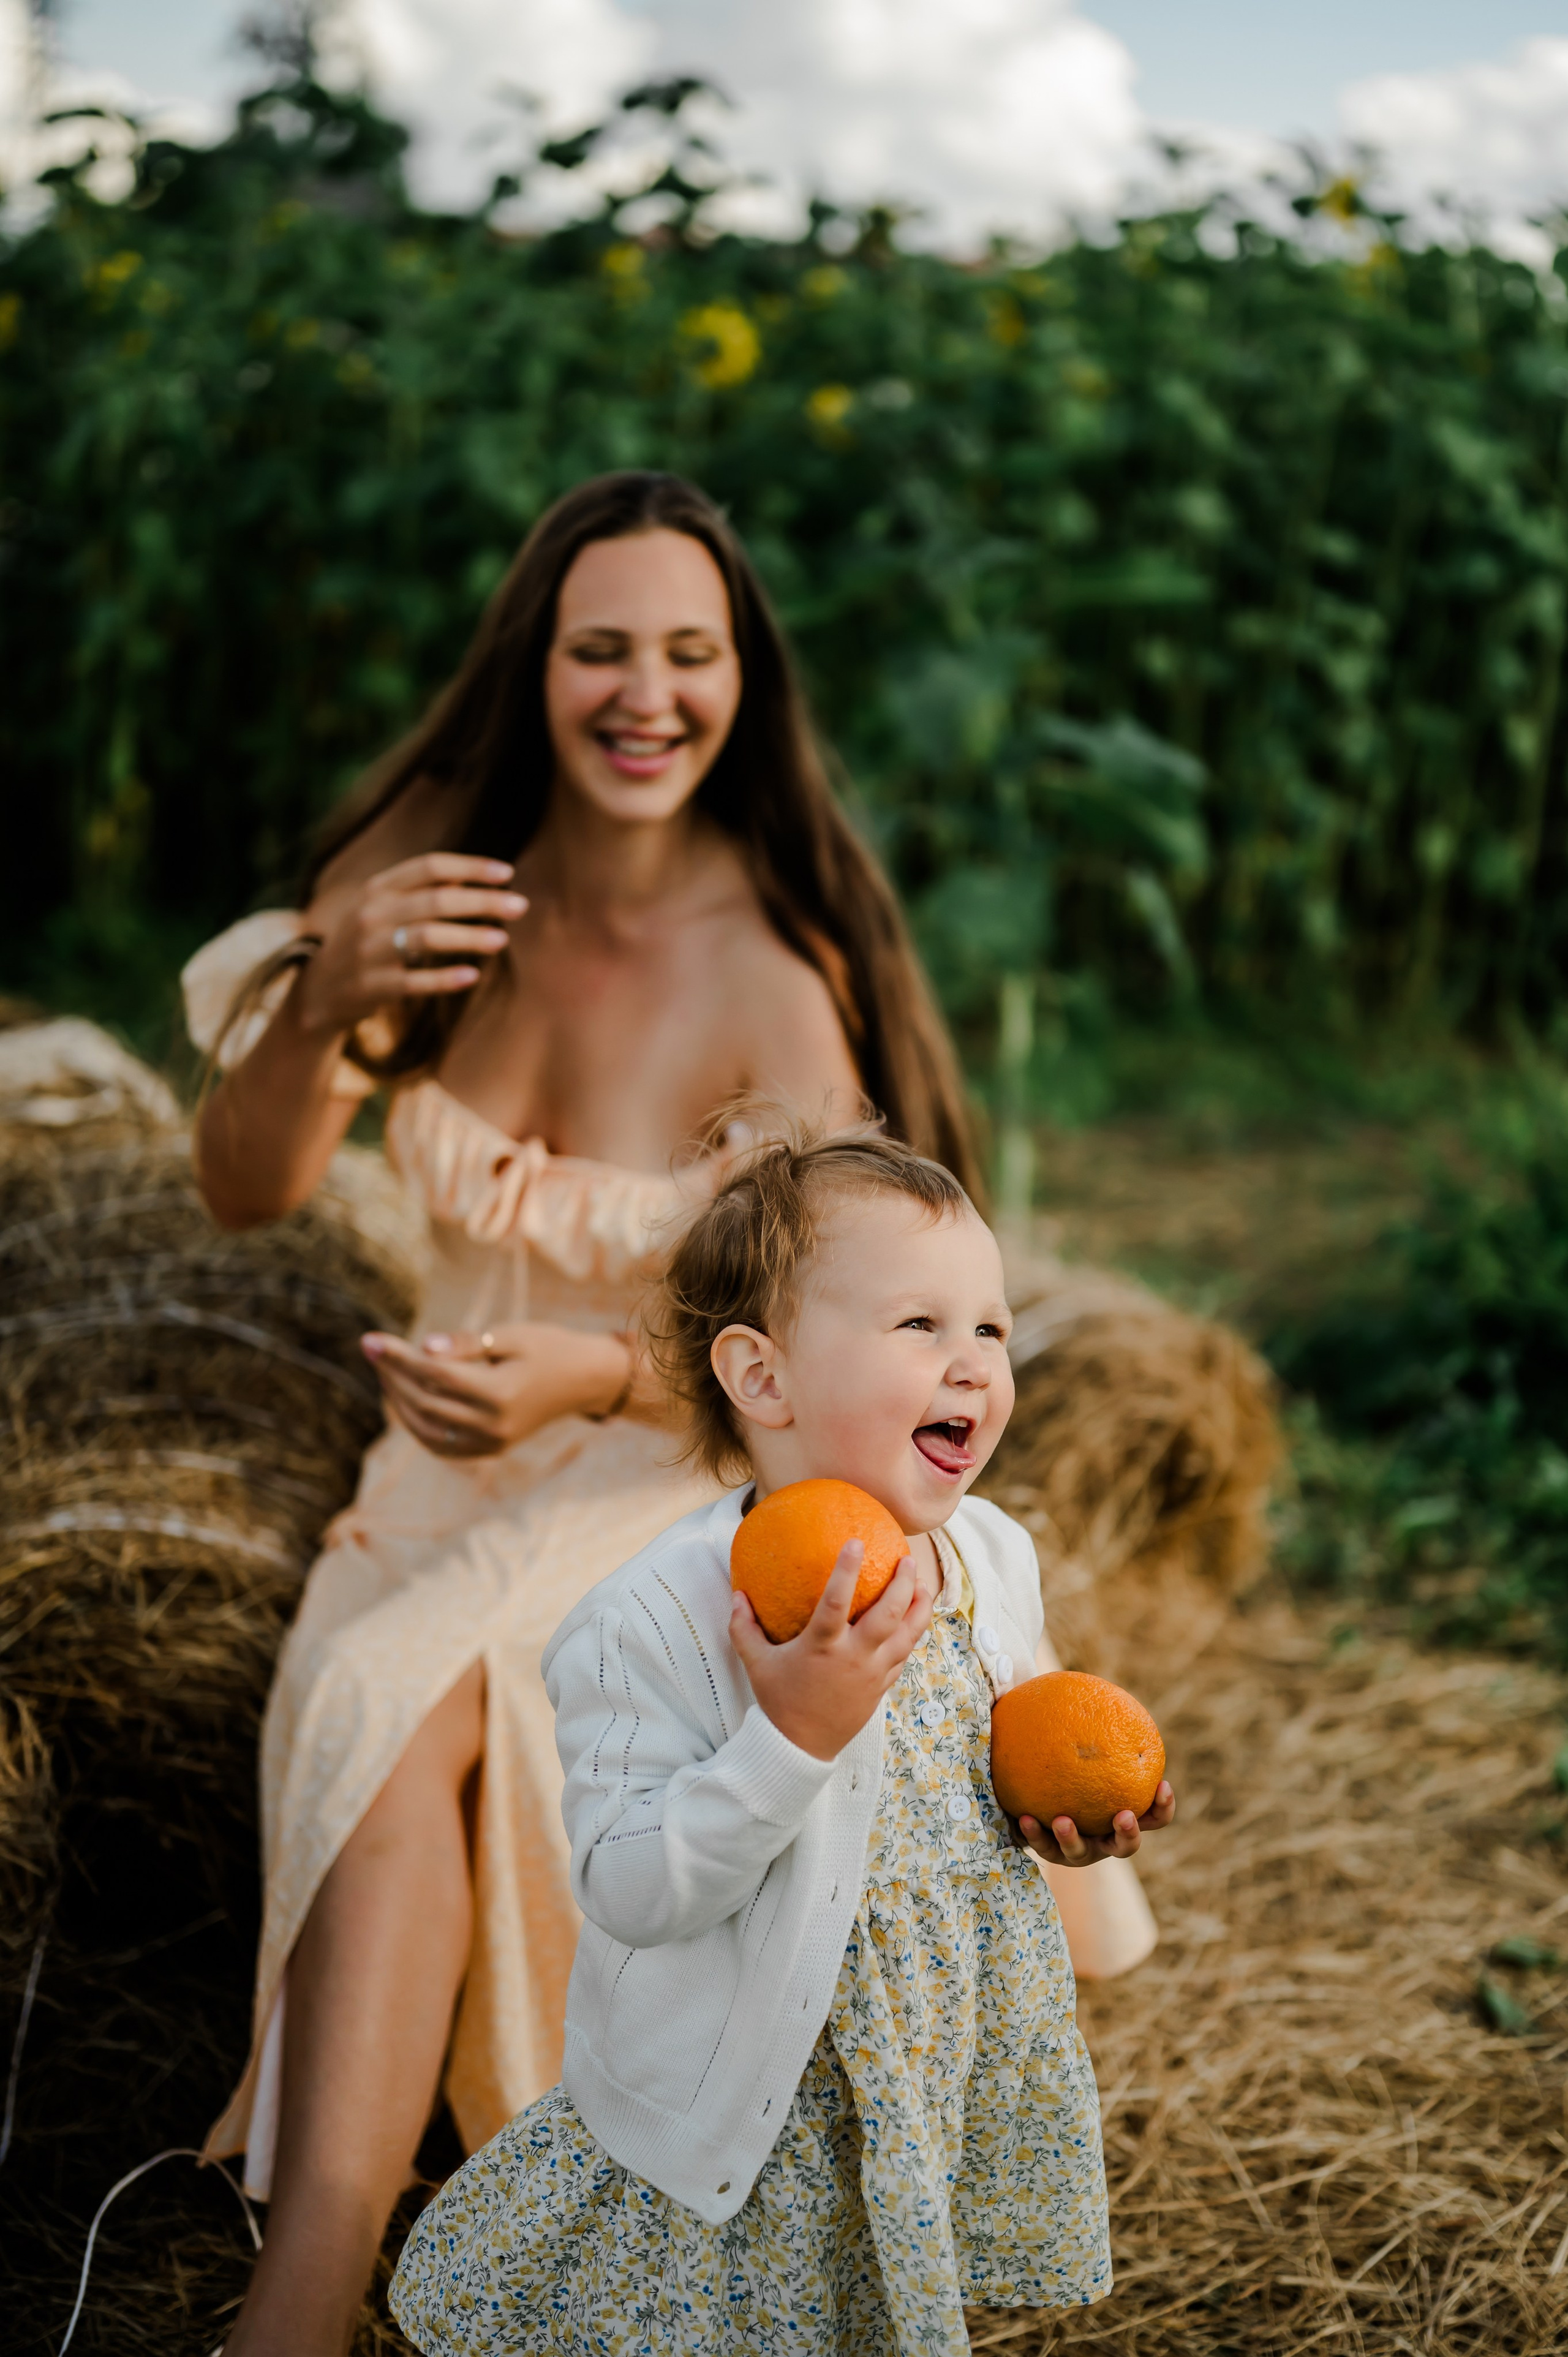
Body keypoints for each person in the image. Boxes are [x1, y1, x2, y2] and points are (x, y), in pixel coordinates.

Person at [183, 470, 1153, 2357]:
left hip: (681, 1472)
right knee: (377, 1693)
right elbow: (243, 1189)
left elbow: (843, 1333)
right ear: (533, 663)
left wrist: (592, 1371)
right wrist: (317, 1007)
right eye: (601, 648)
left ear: (743, 681)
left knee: (425, 1690)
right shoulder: (435, 876)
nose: (648, 694)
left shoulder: (776, 974)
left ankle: (301, 2296)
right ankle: (328, 2261)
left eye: (692, 653)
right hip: (430, 1491)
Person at [390, 1123, 1174, 2357]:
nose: (974, 1364)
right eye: (919, 1325)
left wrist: (1056, 1820)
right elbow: (627, 1886)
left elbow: (983, 1769)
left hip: (915, 2077)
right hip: (748, 2124)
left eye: (991, 1327)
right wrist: (791, 1736)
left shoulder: (988, 1556)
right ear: (762, 1378)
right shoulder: (651, 1621)